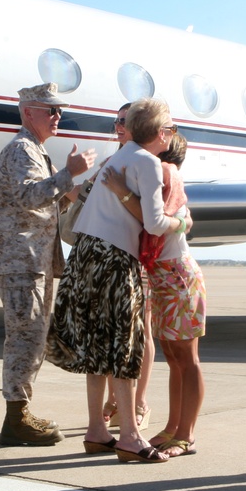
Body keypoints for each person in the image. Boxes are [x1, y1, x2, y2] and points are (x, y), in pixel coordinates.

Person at [46, 97, 185, 464]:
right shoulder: (148, 162)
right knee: (123, 346)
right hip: (114, 258)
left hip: (85, 256)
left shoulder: (115, 160)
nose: (172, 134)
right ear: (158, 133)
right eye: (170, 128)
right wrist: (183, 223)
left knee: (96, 347)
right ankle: (130, 437)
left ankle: (96, 430)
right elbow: (155, 223)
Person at [0, 82, 96, 446]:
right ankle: (17, 418)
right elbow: (28, 196)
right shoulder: (21, 150)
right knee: (25, 337)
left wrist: (67, 192)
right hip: (21, 260)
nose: (57, 116)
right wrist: (69, 174)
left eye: (59, 110)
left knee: (32, 336)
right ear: (28, 112)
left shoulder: (35, 151)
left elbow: (40, 203)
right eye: (51, 110)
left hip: (34, 259)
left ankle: (19, 414)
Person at [102, 132, 205, 457]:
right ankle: (173, 427)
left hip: (176, 275)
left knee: (186, 359)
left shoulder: (165, 173)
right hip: (163, 275)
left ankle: (186, 434)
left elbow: (153, 220)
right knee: (174, 359)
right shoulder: (157, 174)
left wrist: (120, 192)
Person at [99, 103, 154, 432]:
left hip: (137, 255)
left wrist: (120, 193)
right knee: (111, 331)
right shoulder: (111, 161)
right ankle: (115, 399)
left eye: (125, 121)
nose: (118, 126)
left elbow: (152, 215)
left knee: (141, 329)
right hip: (110, 256)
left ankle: (139, 401)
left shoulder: (146, 163)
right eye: (116, 121)